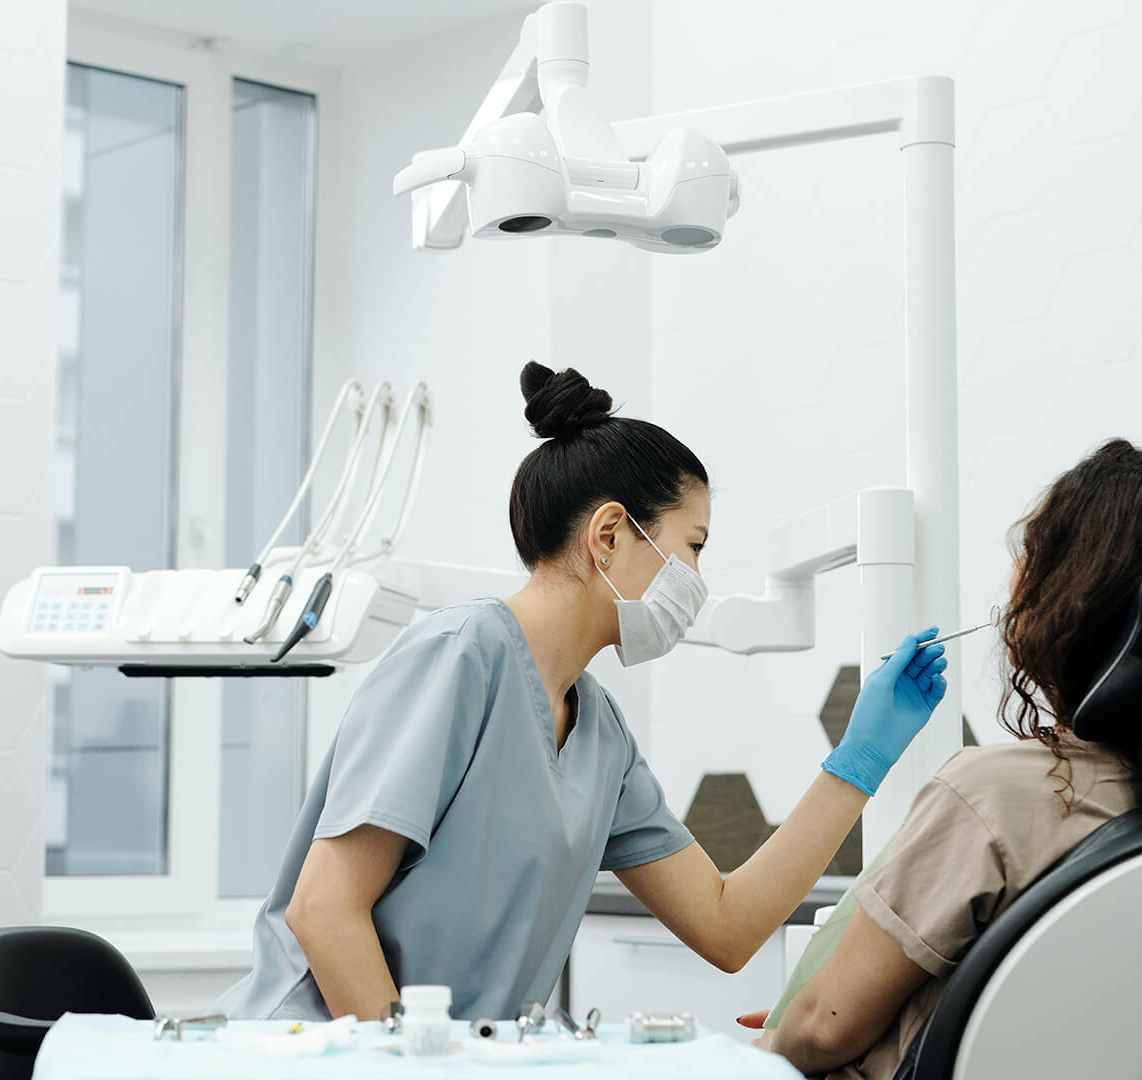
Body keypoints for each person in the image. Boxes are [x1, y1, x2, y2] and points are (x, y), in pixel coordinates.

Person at [214, 362, 947, 1022]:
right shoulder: (459, 656)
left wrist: (860, 760)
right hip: (319, 1052)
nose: (698, 580)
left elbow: (727, 927)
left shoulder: (599, 733)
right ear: (608, 536)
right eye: (693, 546)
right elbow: (324, 909)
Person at [758, 438, 1142, 1078]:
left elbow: (825, 1030)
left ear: (1068, 603)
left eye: (1032, 558)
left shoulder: (999, 796)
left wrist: (756, 1052)